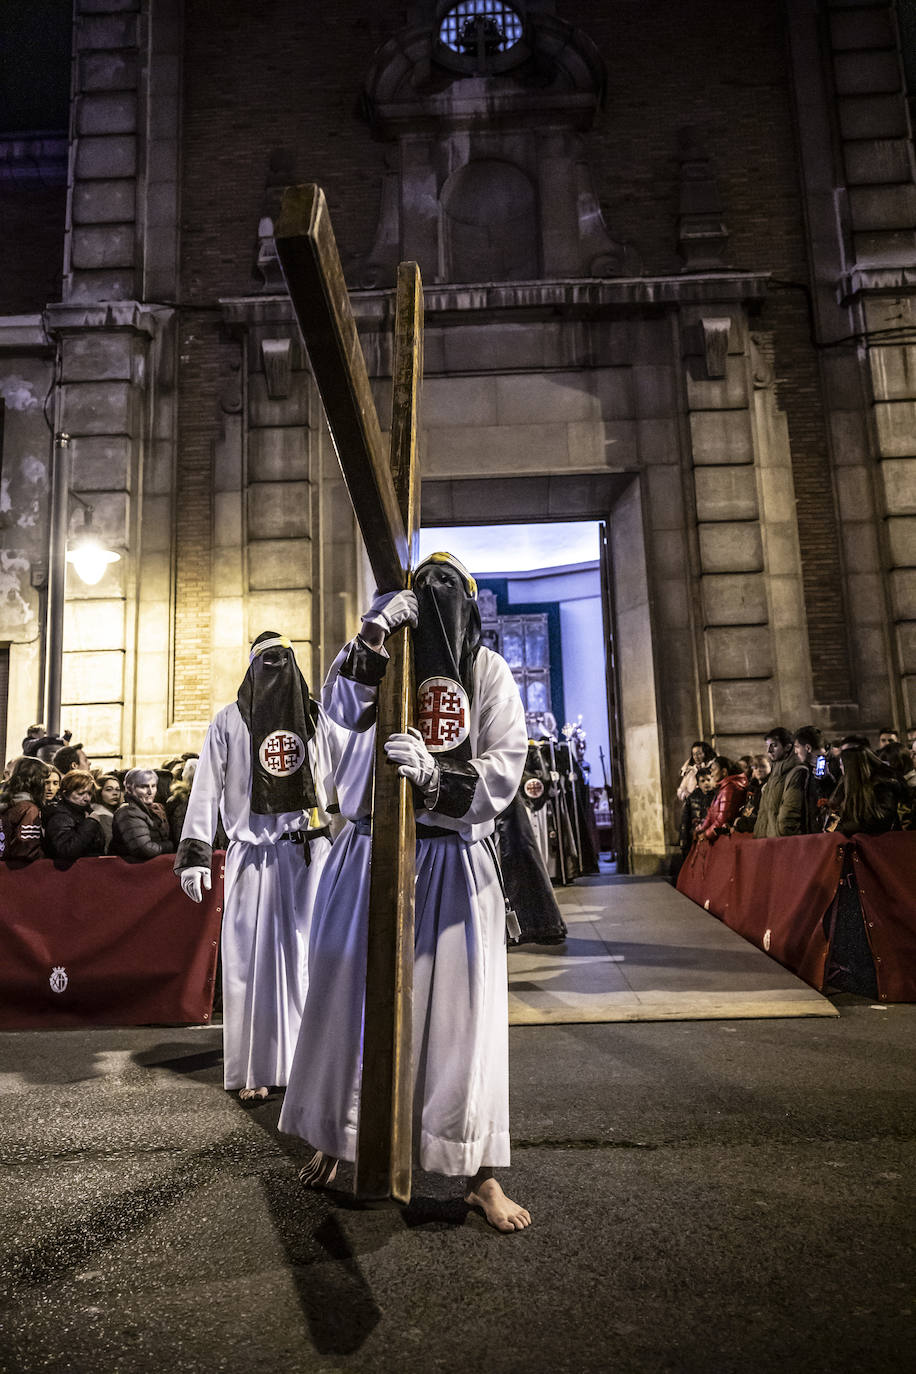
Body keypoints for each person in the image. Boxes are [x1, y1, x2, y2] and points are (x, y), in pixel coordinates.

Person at [279, 553, 532, 1232]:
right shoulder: (379, 652)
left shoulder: (487, 673)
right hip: (369, 851)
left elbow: (506, 765)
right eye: (425, 593)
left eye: (449, 596)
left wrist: (437, 779)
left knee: (460, 1021)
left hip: (453, 860)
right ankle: (336, 1138)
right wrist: (369, 638)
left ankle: (478, 1173)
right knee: (346, 1000)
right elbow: (336, 710)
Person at [175, 631, 346, 1102]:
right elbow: (206, 788)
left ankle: (305, 1066)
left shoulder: (315, 720)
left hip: (305, 856)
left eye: (282, 660)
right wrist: (194, 855)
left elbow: (339, 784)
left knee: (307, 958)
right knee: (249, 962)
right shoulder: (229, 722)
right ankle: (254, 1067)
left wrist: (351, 841)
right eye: (265, 661)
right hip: (252, 857)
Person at [43, 770, 106, 868]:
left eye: (89, 793)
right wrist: (90, 823)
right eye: (81, 793)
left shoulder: (84, 813)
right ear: (66, 793)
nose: (87, 798)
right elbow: (67, 850)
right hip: (71, 875)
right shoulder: (60, 817)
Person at [753, 727, 807, 837]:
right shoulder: (774, 774)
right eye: (767, 746)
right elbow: (764, 813)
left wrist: (784, 835)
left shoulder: (796, 772)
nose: (769, 750)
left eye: (774, 745)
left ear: (787, 747)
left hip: (783, 844)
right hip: (768, 843)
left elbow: (789, 813)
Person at [111, 768, 174, 860]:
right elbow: (144, 849)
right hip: (133, 869)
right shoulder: (128, 812)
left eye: (153, 786)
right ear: (129, 788)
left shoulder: (148, 809)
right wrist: (171, 845)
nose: (150, 792)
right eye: (144, 787)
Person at [0, 758, 49, 866]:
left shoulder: (8, 804)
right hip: (20, 871)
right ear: (37, 782)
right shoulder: (29, 809)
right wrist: (46, 857)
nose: (48, 787)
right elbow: (26, 850)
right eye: (46, 782)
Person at [694, 757, 747, 842]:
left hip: (725, 839)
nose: (711, 774)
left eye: (713, 770)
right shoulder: (723, 787)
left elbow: (723, 819)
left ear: (724, 772)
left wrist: (706, 835)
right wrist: (701, 829)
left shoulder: (730, 788)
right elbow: (711, 813)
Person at [733, 754, 770, 833]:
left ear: (770, 766)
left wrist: (740, 824)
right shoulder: (753, 787)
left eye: (763, 766)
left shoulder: (768, 787)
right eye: (755, 767)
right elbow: (749, 809)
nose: (759, 770)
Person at [89, 774, 122, 852]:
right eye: (109, 789)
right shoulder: (103, 816)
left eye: (117, 789)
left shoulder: (114, 813)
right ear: (99, 792)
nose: (115, 793)